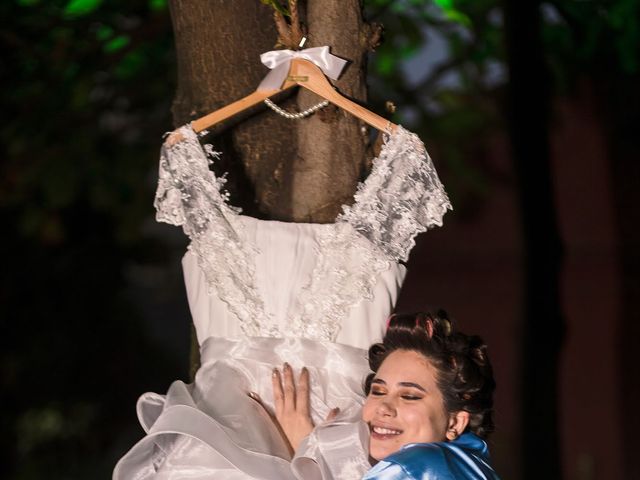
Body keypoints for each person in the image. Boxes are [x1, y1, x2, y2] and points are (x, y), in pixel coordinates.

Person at [113, 120, 452, 480]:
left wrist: (307, 450)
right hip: (236, 429)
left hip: (328, 440)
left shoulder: (411, 459)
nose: (389, 401)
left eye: (410, 396)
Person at [271, 311, 499, 479]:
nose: (383, 407)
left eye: (409, 395)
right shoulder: (470, 465)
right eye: (378, 391)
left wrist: (309, 448)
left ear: (455, 422)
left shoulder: (417, 465)